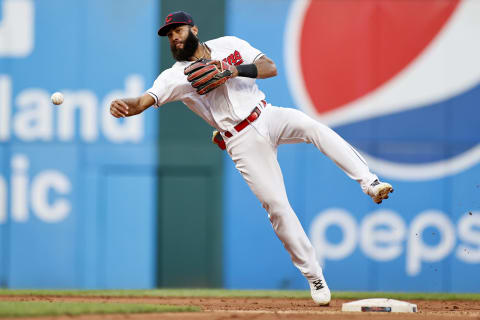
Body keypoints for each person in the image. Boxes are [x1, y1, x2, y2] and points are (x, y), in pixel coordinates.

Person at [110, 11, 393, 305]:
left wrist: (233, 70)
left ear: (193, 28)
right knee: (277, 206)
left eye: (177, 30)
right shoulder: (175, 75)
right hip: (241, 140)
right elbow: (145, 99)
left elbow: (269, 67)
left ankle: (370, 182)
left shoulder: (229, 44)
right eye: (169, 35)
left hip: (267, 114)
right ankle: (314, 276)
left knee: (313, 127)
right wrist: (128, 106)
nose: (174, 38)